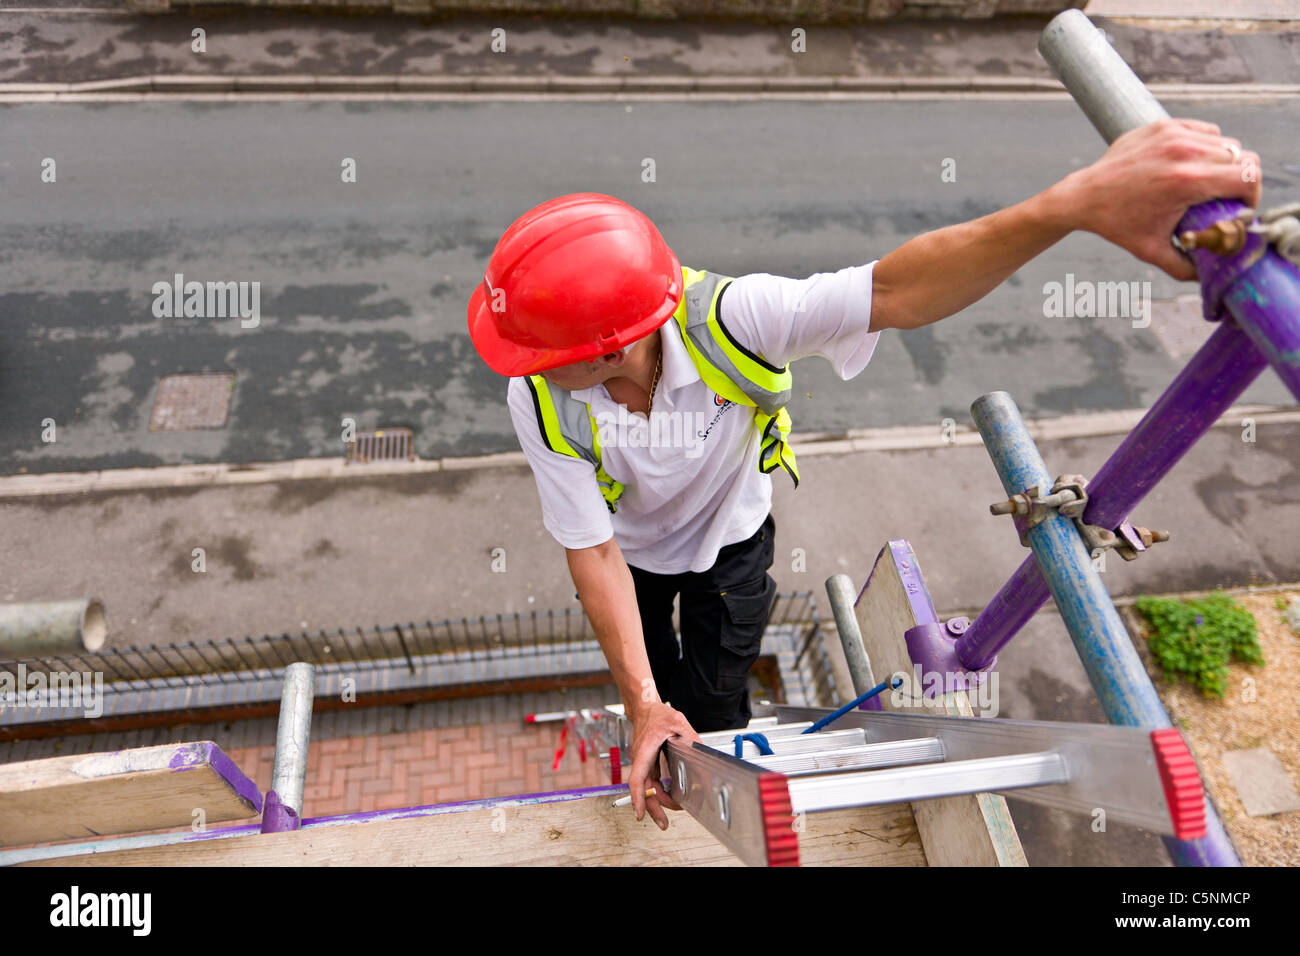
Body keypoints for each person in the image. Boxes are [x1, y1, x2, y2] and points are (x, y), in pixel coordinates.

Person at [465, 118, 1261, 831]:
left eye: (543, 355)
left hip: (731, 548)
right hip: (632, 560)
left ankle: (707, 777)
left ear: (613, 344)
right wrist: (642, 705)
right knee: (658, 689)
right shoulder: (537, 399)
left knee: (710, 703)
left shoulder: (730, 321)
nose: (527, 369)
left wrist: (1074, 204)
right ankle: (659, 730)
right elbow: (593, 549)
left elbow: (896, 290)